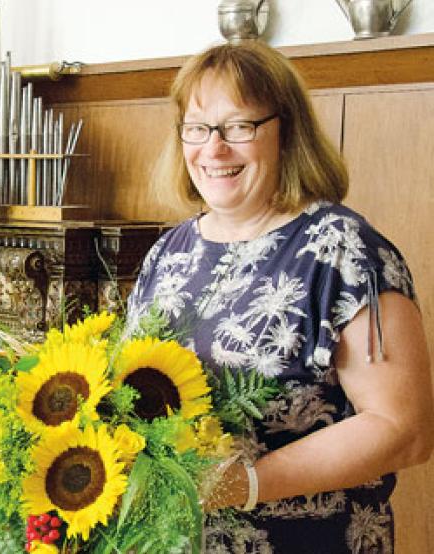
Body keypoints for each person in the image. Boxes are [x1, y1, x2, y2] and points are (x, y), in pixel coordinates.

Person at [127, 40, 434, 552]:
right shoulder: (169, 251)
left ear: (286, 132)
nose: (214, 148)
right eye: (198, 128)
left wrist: (246, 484)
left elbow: (404, 429)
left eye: (240, 126)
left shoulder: (342, 251)